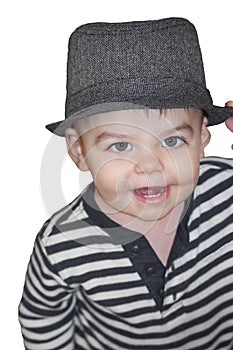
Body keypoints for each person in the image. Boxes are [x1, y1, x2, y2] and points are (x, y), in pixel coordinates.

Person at [18, 18, 233, 350]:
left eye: (173, 141)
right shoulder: (62, 242)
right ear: (80, 152)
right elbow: (43, 319)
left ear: (203, 138)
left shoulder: (228, 190)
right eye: (121, 146)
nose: (150, 166)